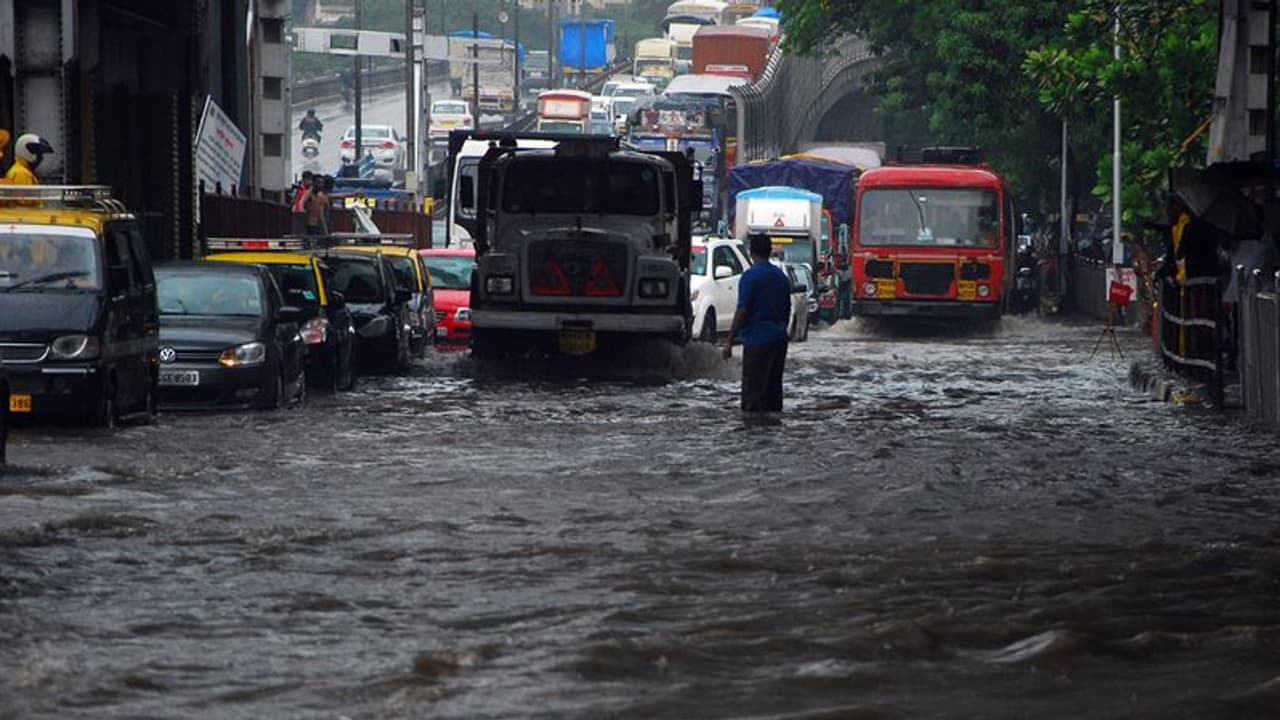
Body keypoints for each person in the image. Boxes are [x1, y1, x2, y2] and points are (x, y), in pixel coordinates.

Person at [723, 233, 792, 413]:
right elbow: (787, 309)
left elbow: (743, 309)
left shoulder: (750, 277)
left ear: (751, 252)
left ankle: (753, 435)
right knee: (773, 391)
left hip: (757, 340)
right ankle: (772, 431)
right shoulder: (781, 277)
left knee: (753, 395)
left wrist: (730, 339)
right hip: (779, 339)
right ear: (769, 251)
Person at [292, 171, 314, 236]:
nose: (310, 182)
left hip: (305, 212)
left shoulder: (308, 189)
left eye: (311, 180)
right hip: (299, 212)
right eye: (309, 180)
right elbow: (295, 201)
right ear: (304, 180)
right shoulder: (299, 189)